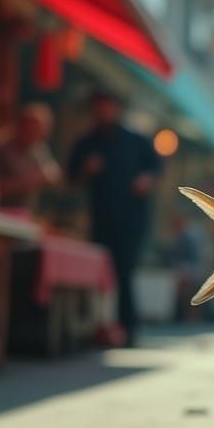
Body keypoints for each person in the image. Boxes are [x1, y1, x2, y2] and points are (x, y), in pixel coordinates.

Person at [67, 90, 161, 346]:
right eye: (99, 107)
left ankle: (127, 328)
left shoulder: (136, 140)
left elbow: (155, 167)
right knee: (97, 273)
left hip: (131, 218)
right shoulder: (87, 142)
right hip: (100, 216)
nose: (104, 111)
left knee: (124, 271)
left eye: (108, 106)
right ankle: (94, 328)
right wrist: (86, 171)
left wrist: (146, 179)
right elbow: (71, 178)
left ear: (117, 108)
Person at [0, 103, 61, 209]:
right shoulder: (0, 149)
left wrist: (49, 176)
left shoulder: (38, 149)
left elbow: (53, 174)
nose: (35, 133)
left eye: (39, 130)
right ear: (21, 125)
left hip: (25, 211)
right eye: (31, 128)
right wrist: (25, 182)